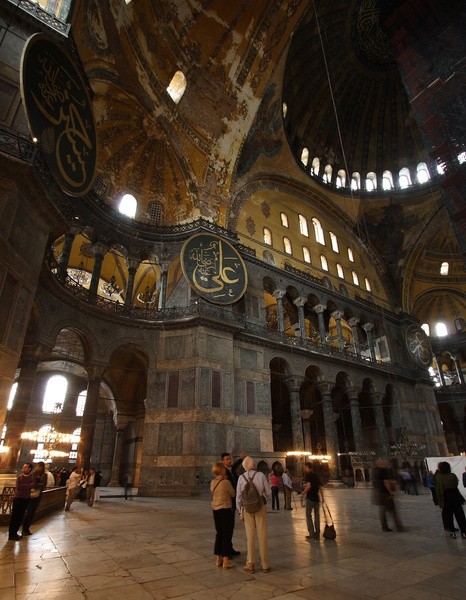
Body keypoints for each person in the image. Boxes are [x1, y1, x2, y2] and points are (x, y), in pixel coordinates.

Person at [236, 456, 271, 574]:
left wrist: (240, 511)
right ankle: (265, 565)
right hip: (260, 507)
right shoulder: (260, 475)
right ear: (254, 465)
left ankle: (250, 564)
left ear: (244, 466)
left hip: (247, 509)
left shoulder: (241, 478)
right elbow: (268, 492)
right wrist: (262, 497)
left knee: (250, 537)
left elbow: (238, 498)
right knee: (262, 535)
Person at [210, 462, 236, 569]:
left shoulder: (212, 482)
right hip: (225, 510)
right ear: (222, 470)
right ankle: (226, 560)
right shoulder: (226, 482)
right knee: (226, 534)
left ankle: (218, 558)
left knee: (219, 533)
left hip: (215, 510)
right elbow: (233, 494)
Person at [372, 457, 404, 532]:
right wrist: (390, 491)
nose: (387, 463)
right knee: (392, 510)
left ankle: (384, 526)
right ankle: (398, 526)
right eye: (385, 462)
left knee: (382, 511)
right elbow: (385, 482)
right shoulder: (383, 471)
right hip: (385, 493)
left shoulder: (375, 471)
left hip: (379, 493)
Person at [435, 461, 466, 539]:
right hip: (455, 496)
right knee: (460, 515)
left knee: (449, 516)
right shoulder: (453, 476)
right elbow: (456, 484)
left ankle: (452, 532)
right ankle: (464, 532)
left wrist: (440, 501)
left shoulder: (440, 477)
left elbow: (440, 490)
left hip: (447, 497)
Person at [221, 452, 241, 556]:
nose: (229, 460)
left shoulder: (230, 470)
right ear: (222, 461)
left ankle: (230, 548)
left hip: (232, 503)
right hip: (226, 503)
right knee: (227, 528)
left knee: (230, 526)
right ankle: (226, 551)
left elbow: (234, 466)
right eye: (227, 459)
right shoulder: (223, 471)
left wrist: (241, 458)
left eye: (230, 459)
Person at [8, 463, 33, 541]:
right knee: (14, 517)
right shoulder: (19, 477)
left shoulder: (31, 478)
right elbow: (19, 487)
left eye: (25, 467)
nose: (23, 468)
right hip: (18, 498)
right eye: (23, 467)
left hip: (25, 499)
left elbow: (32, 485)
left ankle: (15, 533)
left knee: (20, 516)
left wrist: (25, 486)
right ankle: (11, 534)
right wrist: (28, 486)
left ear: (29, 469)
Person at [22, 461, 47, 536]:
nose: (38, 468)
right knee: (28, 512)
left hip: (37, 495)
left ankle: (26, 529)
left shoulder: (44, 475)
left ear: (42, 467)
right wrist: (33, 485)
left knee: (32, 512)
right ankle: (24, 529)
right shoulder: (33, 474)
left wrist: (35, 485)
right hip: (30, 495)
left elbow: (43, 484)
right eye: (38, 466)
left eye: (40, 466)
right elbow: (30, 483)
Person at [303, 462, 323, 540]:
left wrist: (303, 492)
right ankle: (317, 535)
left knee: (308, 516)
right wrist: (323, 498)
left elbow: (308, 486)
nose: (304, 469)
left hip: (310, 498)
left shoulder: (308, 475)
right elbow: (320, 487)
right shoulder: (316, 476)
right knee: (317, 516)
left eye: (305, 467)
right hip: (317, 499)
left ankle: (312, 534)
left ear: (308, 467)